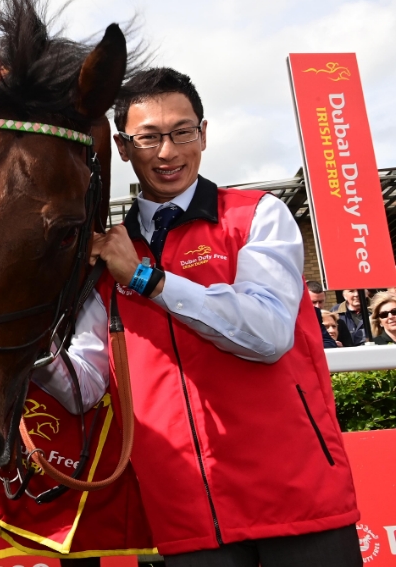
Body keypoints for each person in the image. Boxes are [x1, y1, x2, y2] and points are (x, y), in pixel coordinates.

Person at [37, 68, 359, 566]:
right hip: (187, 517)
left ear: (204, 135)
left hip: (297, 500)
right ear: (123, 148)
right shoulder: (103, 255)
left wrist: (147, 280)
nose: (167, 152)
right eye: (148, 138)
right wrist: (31, 347)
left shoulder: (258, 214)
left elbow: (268, 333)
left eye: (182, 132)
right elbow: (87, 386)